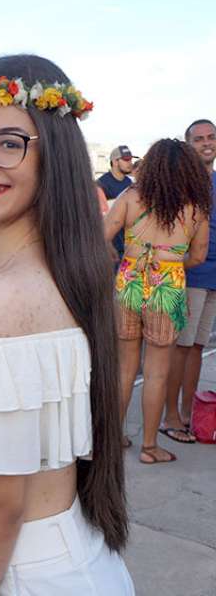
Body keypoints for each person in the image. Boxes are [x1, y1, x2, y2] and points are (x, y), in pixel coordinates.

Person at [0, 56, 133, 594]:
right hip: (68, 556)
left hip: (33, 574)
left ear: (53, 157)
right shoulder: (57, 270)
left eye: (9, 143)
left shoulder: (9, 300)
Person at [104, 139, 211, 461]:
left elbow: (100, 236)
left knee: (125, 368)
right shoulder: (196, 208)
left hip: (129, 281)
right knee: (156, 373)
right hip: (168, 286)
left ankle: (114, 438)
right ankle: (149, 447)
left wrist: (122, 256)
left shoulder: (130, 196)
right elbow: (199, 256)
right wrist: (171, 264)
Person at [164, 119, 216, 438]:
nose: (206, 143)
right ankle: (169, 417)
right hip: (190, 273)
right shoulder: (181, 183)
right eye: (199, 139)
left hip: (213, 278)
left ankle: (187, 414)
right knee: (180, 347)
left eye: (211, 137)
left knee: (197, 346)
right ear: (188, 145)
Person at [98, 145, 135, 260]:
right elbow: (98, 218)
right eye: (126, 160)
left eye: (131, 159)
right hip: (111, 249)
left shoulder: (130, 183)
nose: (130, 163)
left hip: (129, 247)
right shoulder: (101, 184)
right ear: (115, 162)